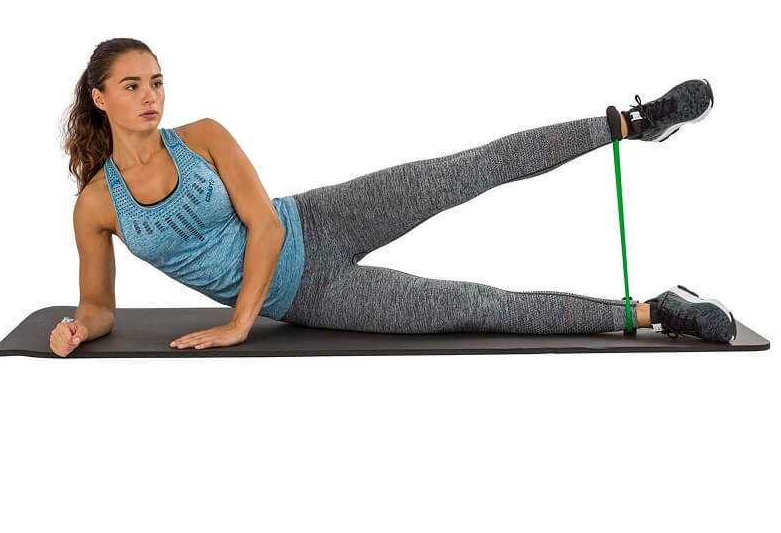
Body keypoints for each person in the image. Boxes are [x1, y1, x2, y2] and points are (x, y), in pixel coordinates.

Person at [50, 37, 736, 357]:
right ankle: (655, 311)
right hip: (313, 295)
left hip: (317, 217)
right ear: (100, 97)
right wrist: (80, 328)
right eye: (133, 85)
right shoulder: (97, 207)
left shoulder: (201, 136)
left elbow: (264, 226)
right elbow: (99, 306)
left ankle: (632, 124)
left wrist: (238, 325)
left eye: (157, 81)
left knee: (465, 169)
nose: (151, 96)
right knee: (475, 307)